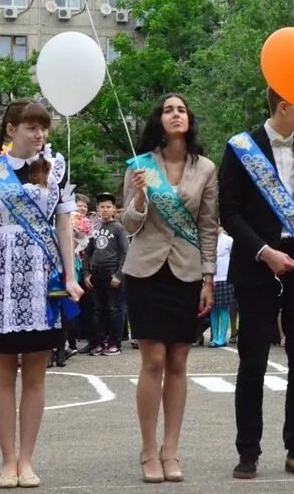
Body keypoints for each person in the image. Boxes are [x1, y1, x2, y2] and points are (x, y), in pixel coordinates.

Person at [0, 99, 82, 489]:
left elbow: (65, 226)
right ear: (10, 129)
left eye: (43, 127)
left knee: (36, 371)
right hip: (2, 272)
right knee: (3, 370)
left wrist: (69, 276)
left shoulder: (57, 169)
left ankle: (27, 459)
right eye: (32, 127)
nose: (39, 135)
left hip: (42, 275)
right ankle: (6, 461)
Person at [220, 88, 294, 480]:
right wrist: (264, 251)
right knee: (253, 363)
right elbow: (229, 211)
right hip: (257, 266)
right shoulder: (241, 147)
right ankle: (247, 452)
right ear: (284, 107)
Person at [121, 93, 219, 484]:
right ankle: (148, 450)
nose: (175, 114)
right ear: (158, 120)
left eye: (181, 109)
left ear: (189, 119)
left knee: (179, 362)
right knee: (154, 362)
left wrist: (209, 277)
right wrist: (141, 195)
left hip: (187, 271)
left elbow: (208, 226)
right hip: (145, 271)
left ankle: (171, 450)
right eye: (167, 110)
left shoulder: (207, 169)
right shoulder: (139, 166)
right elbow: (128, 223)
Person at [84, 193, 130, 356]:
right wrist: (86, 273)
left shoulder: (118, 227)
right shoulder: (93, 228)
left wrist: (119, 275)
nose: (105, 210)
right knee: (98, 310)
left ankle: (114, 343)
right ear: (97, 209)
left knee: (114, 309)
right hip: (95, 274)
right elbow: (87, 252)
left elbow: (126, 252)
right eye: (102, 207)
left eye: (108, 207)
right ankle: (98, 342)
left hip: (113, 273)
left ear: (114, 209)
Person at [211, 229, 234, 347]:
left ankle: (222, 338)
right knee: (213, 309)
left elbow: (233, 257)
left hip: (224, 277)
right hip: (210, 278)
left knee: (223, 308)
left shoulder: (228, 240)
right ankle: (214, 337)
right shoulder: (207, 240)